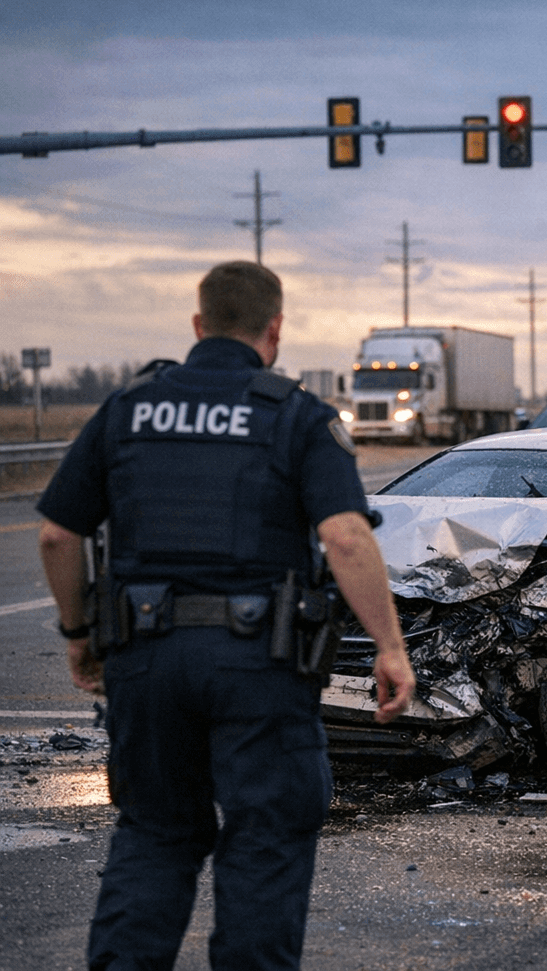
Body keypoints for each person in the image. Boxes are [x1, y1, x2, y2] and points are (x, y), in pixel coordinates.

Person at [36, 260, 416, 969]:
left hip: (145, 662)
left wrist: (79, 634)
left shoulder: (127, 409)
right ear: (274, 331)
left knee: (154, 834)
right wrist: (391, 648)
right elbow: (345, 537)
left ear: (196, 325)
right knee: (265, 841)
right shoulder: (297, 415)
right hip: (259, 667)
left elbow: (59, 534)